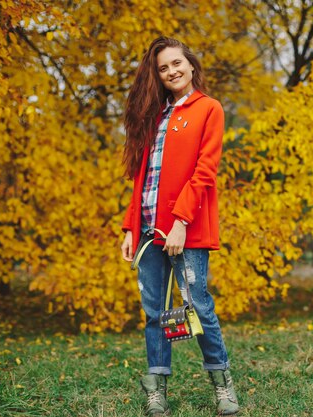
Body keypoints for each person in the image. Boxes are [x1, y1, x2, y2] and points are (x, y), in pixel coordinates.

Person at [120, 36, 239, 416]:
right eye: (163, 67)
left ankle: (223, 387)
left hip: (184, 229)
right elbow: (142, 177)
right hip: (149, 232)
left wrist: (182, 222)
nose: (172, 71)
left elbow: (205, 172)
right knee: (154, 313)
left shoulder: (209, 109)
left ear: (190, 63)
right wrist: (129, 228)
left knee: (198, 307)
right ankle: (157, 391)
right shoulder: (155, 116)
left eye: (177, 63)